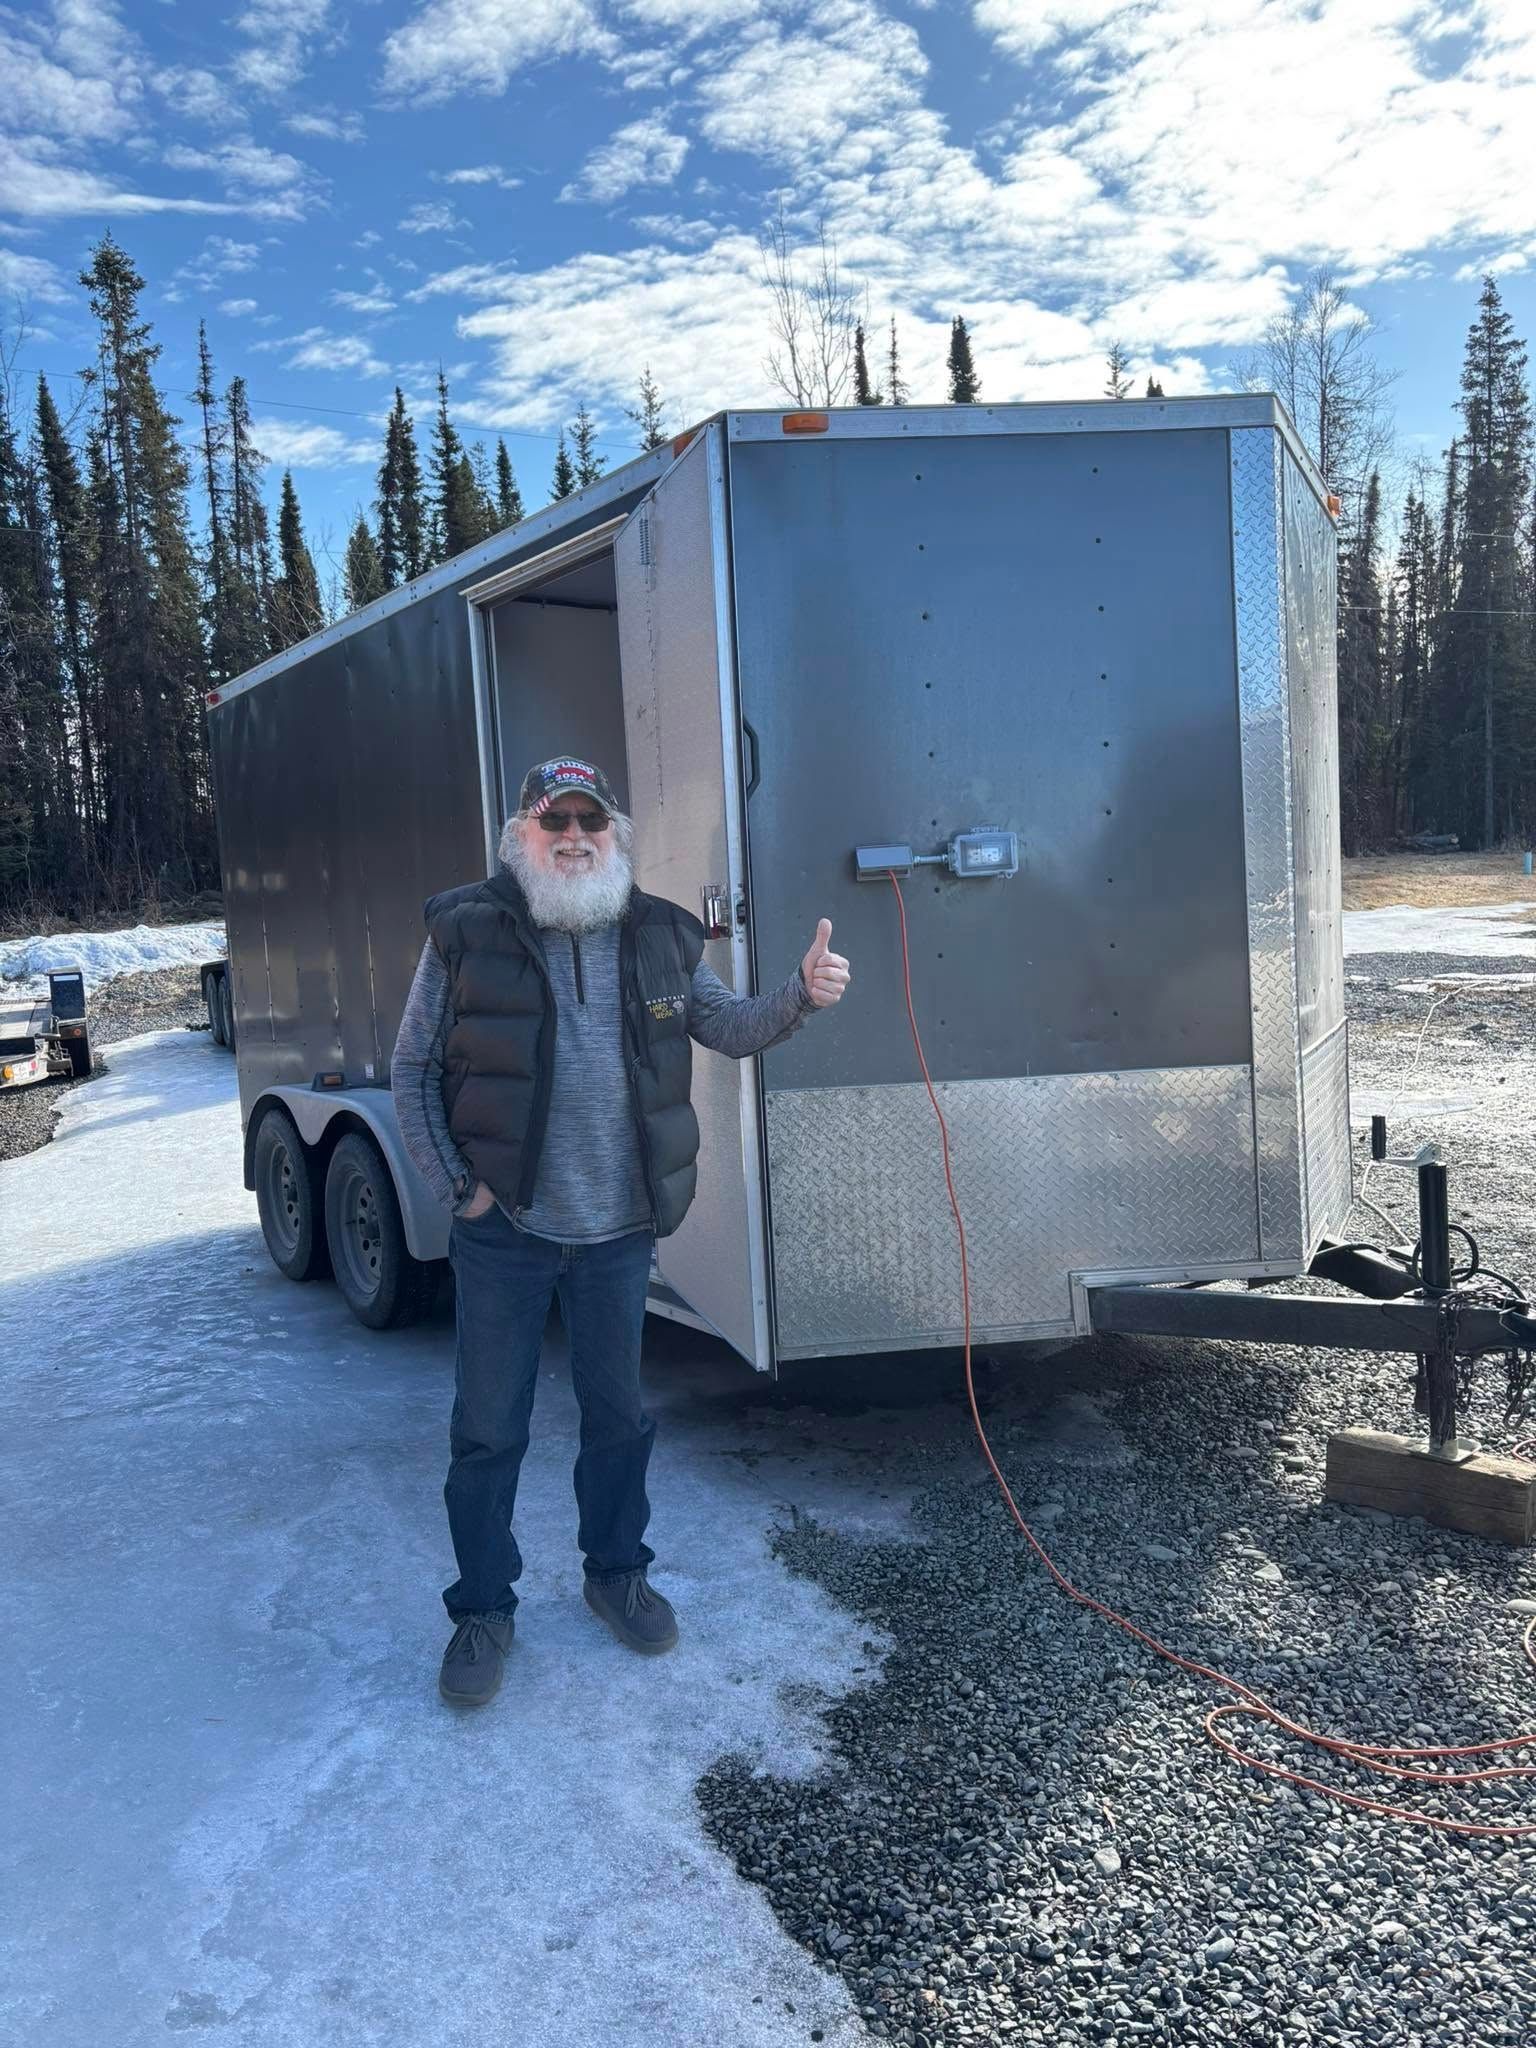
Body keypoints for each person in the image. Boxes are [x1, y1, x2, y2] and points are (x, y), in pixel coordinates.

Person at [392, 756, 851, 1706]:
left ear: (614, 836)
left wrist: (801, 994)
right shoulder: (463, 930)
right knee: (488, 1429)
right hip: (505, 1230)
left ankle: (616, 1575)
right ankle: (482, 1608)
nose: (571, 834)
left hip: (617, 1231)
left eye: (589, 821)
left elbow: (726, 1026)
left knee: (619, 1417)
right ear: (522, 834)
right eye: (552, 818)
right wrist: (456, 1189)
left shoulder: (662, 935)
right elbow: (411, 1070)